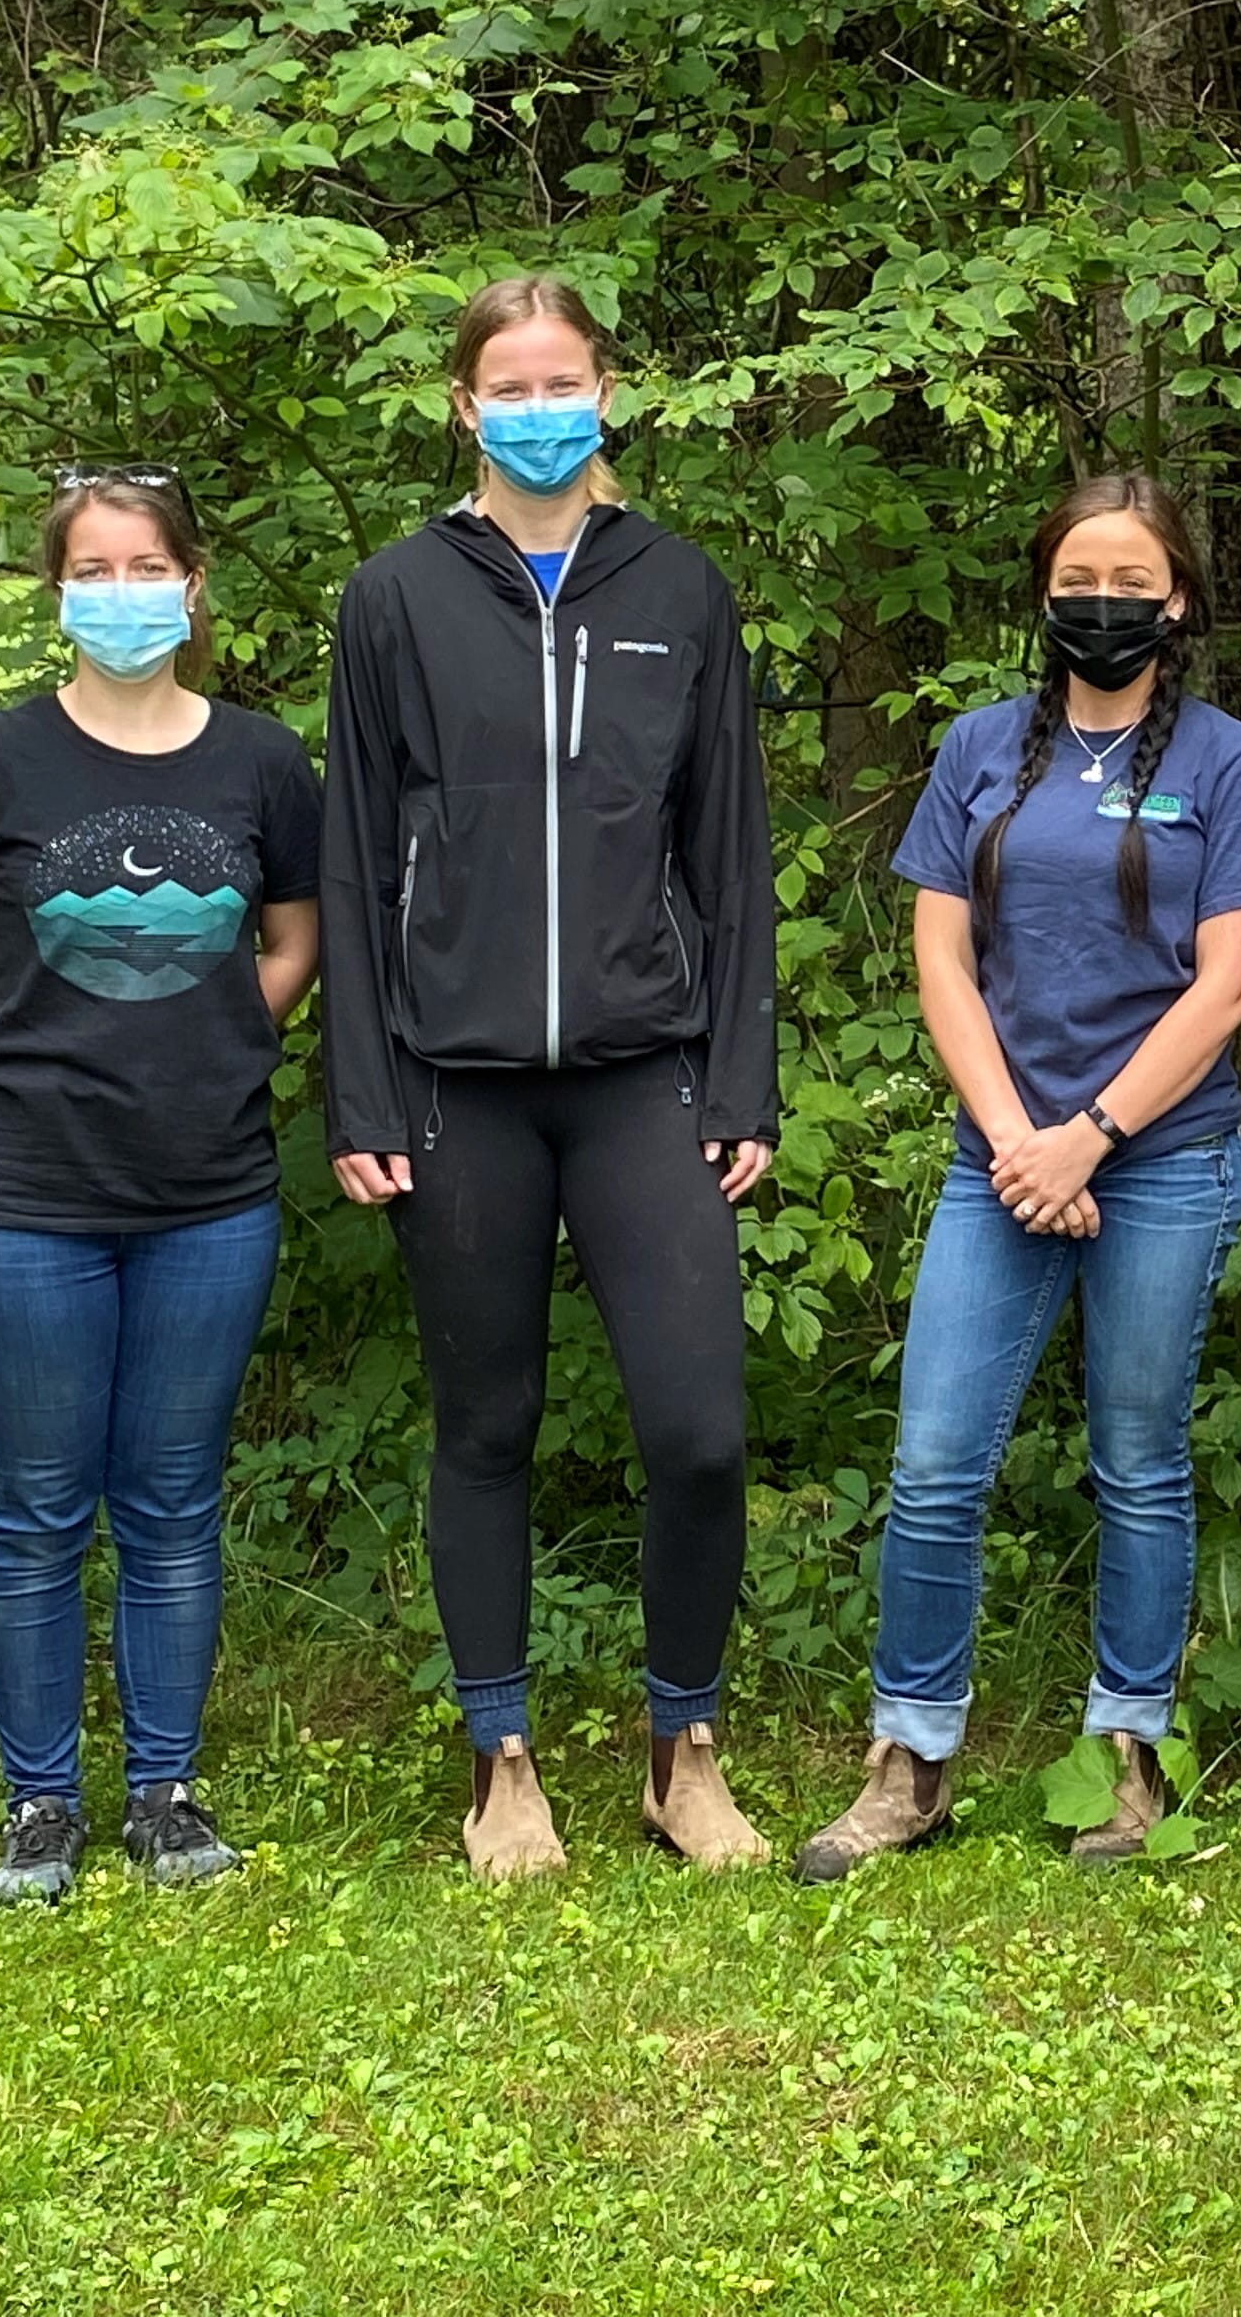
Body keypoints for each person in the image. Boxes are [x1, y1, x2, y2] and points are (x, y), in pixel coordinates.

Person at [319, 272, 783, 1883]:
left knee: (699, 1429)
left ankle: (683, 1750)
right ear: (463, 404)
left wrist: (743, 1080)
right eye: (506, 385)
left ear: (608, 396)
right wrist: (363, 1094)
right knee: (488, 1422)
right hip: (456, 1084)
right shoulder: (393, 599)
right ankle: (500, 1759)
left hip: (645, 1069)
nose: (537, 408)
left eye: (563, 380)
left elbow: (727, 849)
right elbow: (358, 853)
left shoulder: (681, 586)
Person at [792, 473, 1241, 1883]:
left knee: (1139, 1465)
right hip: (996, 1157)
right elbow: (941, 959)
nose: (1103, 604)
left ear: (1178, 602)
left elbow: (1228, 988)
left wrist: (1091, 1135)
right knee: (934, 1462)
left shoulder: (1229, 765)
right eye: (1078, 579)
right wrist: (1022, 1134)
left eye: (1131, 584)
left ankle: (1127, 1757)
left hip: (1161, 1159)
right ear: (1043, 595)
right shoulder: (975, 749)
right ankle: (912, 1758)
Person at [0, 468, 323, 1908]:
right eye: (94, 568)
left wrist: (218, 1051)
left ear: (194, 588)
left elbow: (297, 939)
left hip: (210, 1192)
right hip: (22, 1201)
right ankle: (40, 1804)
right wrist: (4, 1084)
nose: (121, 592)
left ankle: (168, 1799)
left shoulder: (260, 761)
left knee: (177, 1499)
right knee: (37, 1508)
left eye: (147, 567)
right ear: (56, 591)